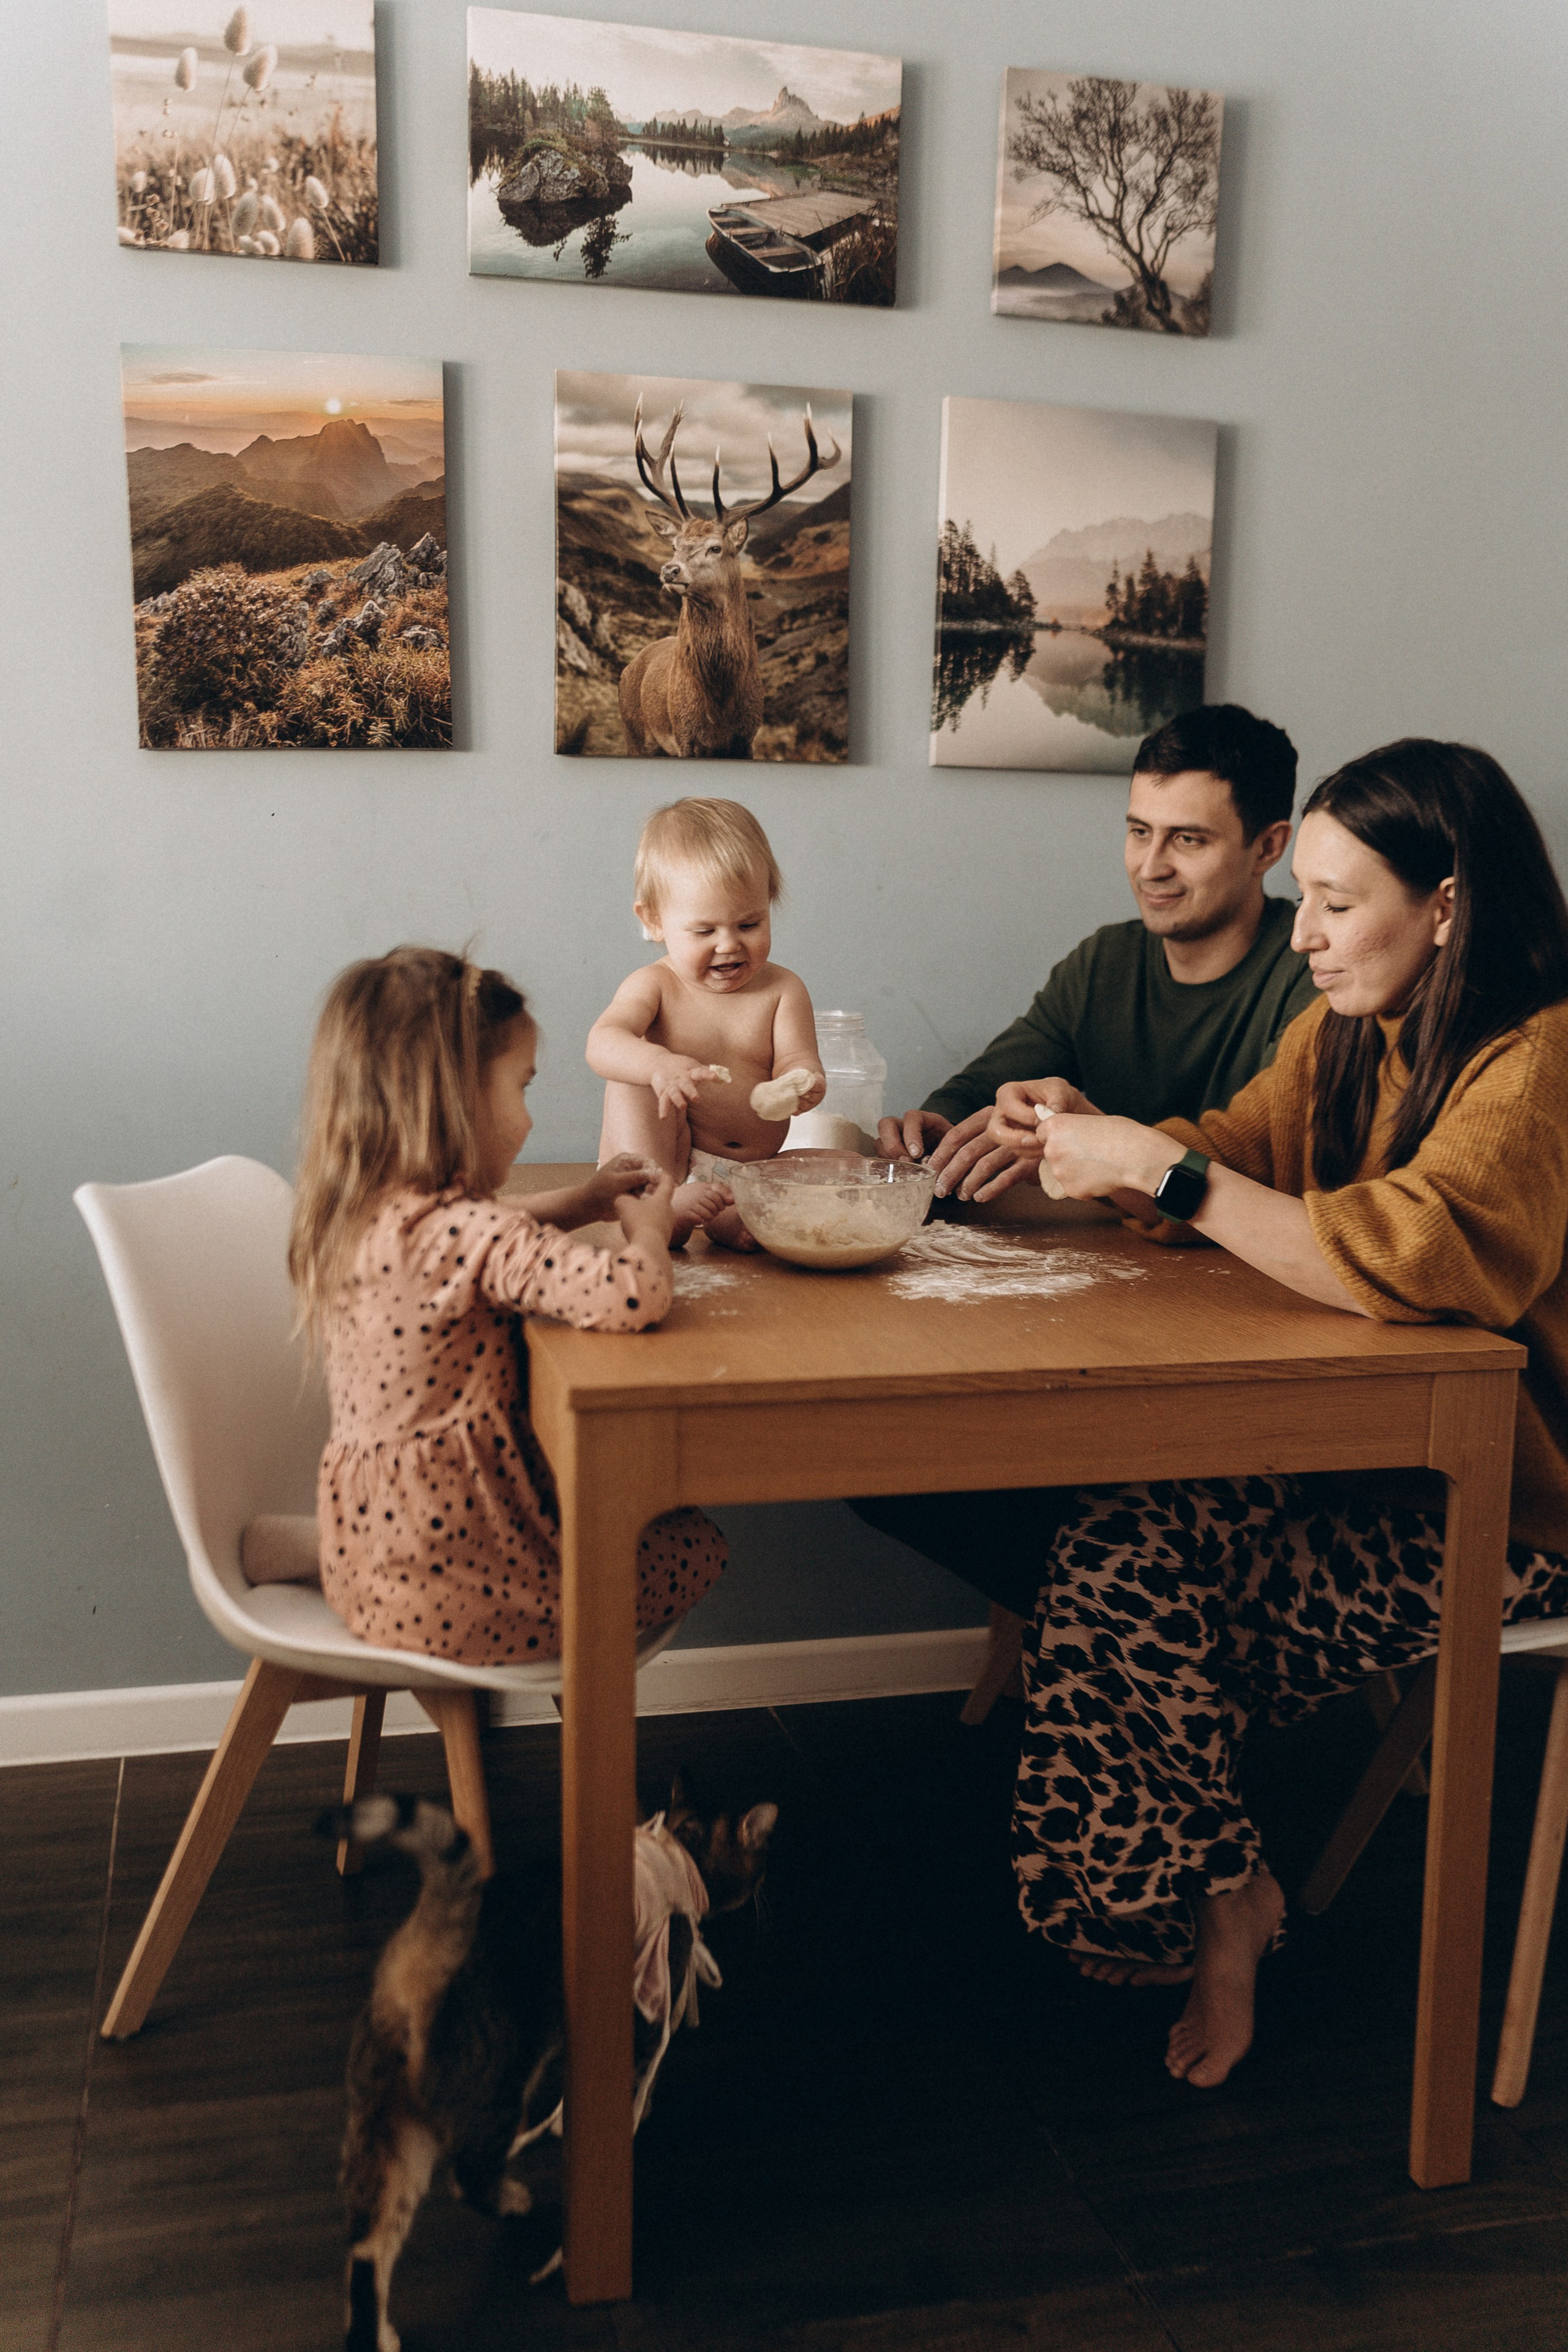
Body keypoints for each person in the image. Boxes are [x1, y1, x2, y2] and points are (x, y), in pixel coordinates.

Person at [985, 739, 1568, 2090]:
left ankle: (1211, 1910)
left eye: (1335, 905)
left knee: (1134, 1603)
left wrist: (1160, 1171)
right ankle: (1227, 1889)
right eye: (1304, 899)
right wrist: (1091, 1142)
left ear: (1446, 905)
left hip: (1507, 1498)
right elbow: (1234, 1154)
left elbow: (1412, 1255)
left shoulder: (1538, 1061)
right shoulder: (1349, 1028)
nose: (1300, 936)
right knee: (1113, 1543)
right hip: (1357, 1449)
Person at [858, 706, 1317, 1616]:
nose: (1151, 866)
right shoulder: (1104, 963)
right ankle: (1115, 1620)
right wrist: (936, 1126)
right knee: (877, 1461)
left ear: (1270, 846)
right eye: (1139, 832)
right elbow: (984, 1084)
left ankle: (1126, 1617)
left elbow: (1277, 1164)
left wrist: (1113, 1143)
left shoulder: (1313, 973)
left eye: (1188, 839)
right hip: (1113, 1338)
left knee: (1082, 1516)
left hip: (1257, 1354)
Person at [288, 946, 726, 1665]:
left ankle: (304, 1546)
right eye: (520, 1087)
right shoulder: (468, 1234)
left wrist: (583, 1201)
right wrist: (650, 1227)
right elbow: (633, 1294)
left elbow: (489, 1228)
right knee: (695, 1542)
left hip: (368, 1561)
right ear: (454, 1100)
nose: (526, 1118)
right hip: (471, 1590)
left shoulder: (365, 1212)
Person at [588, 797, 825, 1252]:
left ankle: (732, 1213)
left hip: (750, 1171)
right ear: (654, 920)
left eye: (749, 924)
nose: (729, 944)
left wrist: (803, 1082)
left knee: (847, 1164)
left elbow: (798, 1058)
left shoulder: (784, 990)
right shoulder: (654, 986)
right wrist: (658, 1064)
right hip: (663, 1160)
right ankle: (657, 1205)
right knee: (632, 1075)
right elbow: (602, 1043)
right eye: (704, 931)